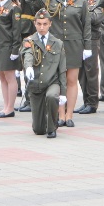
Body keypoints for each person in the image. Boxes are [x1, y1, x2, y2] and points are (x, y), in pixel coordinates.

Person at [26, 0, 90, 127]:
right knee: (57, 80)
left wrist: (87, 46)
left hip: (75, 45)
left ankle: (69, 115)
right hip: (55, 47)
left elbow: (86, 25)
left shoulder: (81, 1)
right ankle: (60, 115)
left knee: (71, 80)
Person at [20, 9, 67, 138]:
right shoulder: (29, 41)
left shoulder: (57, 43)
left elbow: (62, 69)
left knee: (52, 96)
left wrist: (63, 93)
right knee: (38, 129)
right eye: (39, 24)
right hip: (36, 85)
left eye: (45, 24)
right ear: (34, 23)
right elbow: (28, 54)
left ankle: (52, 127)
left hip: (52, 81)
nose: (42, 27)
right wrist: (28, 67)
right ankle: (46, 122)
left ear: (50, 24)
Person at [75, 0, 104, 115]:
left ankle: (93, 103)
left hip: (93, 39)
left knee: (91, 71)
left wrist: (80, 13)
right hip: (80, 38)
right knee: (81, 73)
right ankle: (86, 100)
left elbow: (96, 18)